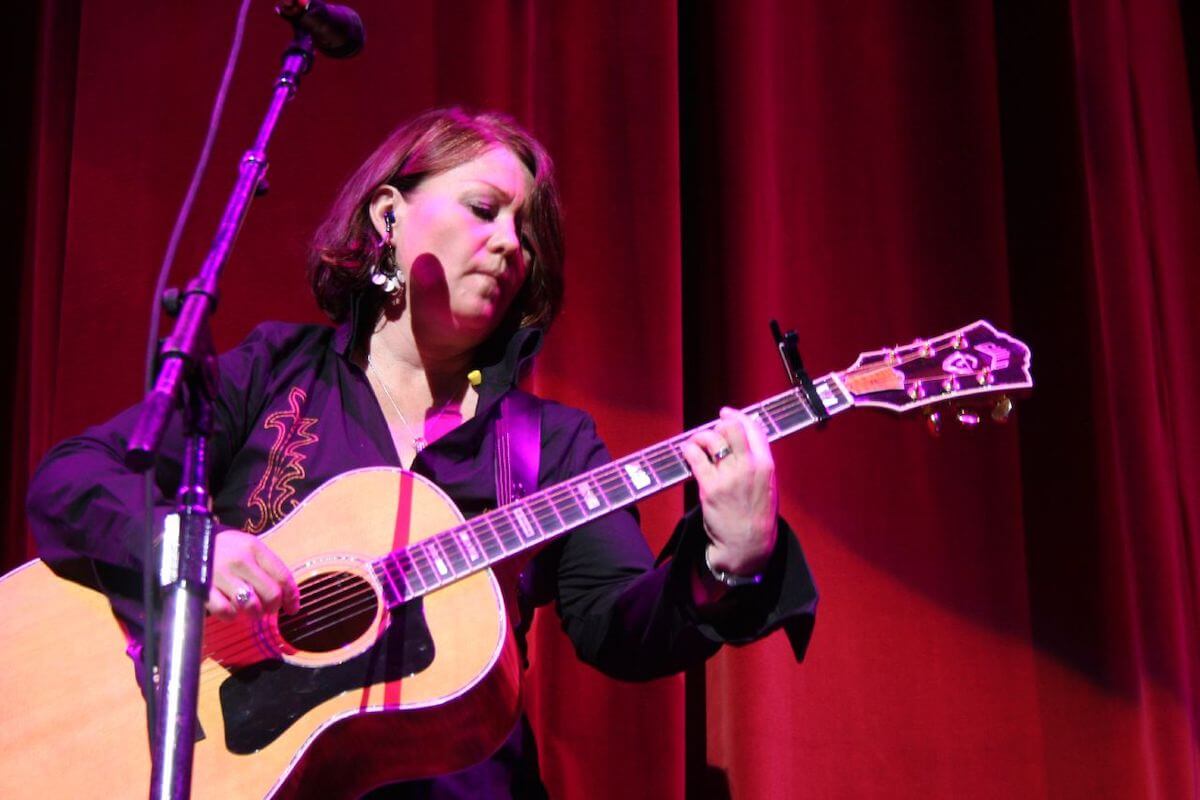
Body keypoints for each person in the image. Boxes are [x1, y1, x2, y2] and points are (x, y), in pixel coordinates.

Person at [27, 107, 817, 798]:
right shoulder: (275, 373)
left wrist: (731, 563)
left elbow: (619, 627)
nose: (512, 245)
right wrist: (199, 547)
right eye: (484, 209)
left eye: (527, 233)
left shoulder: (551, 445)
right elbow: (72, 482)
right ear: (388, 217)